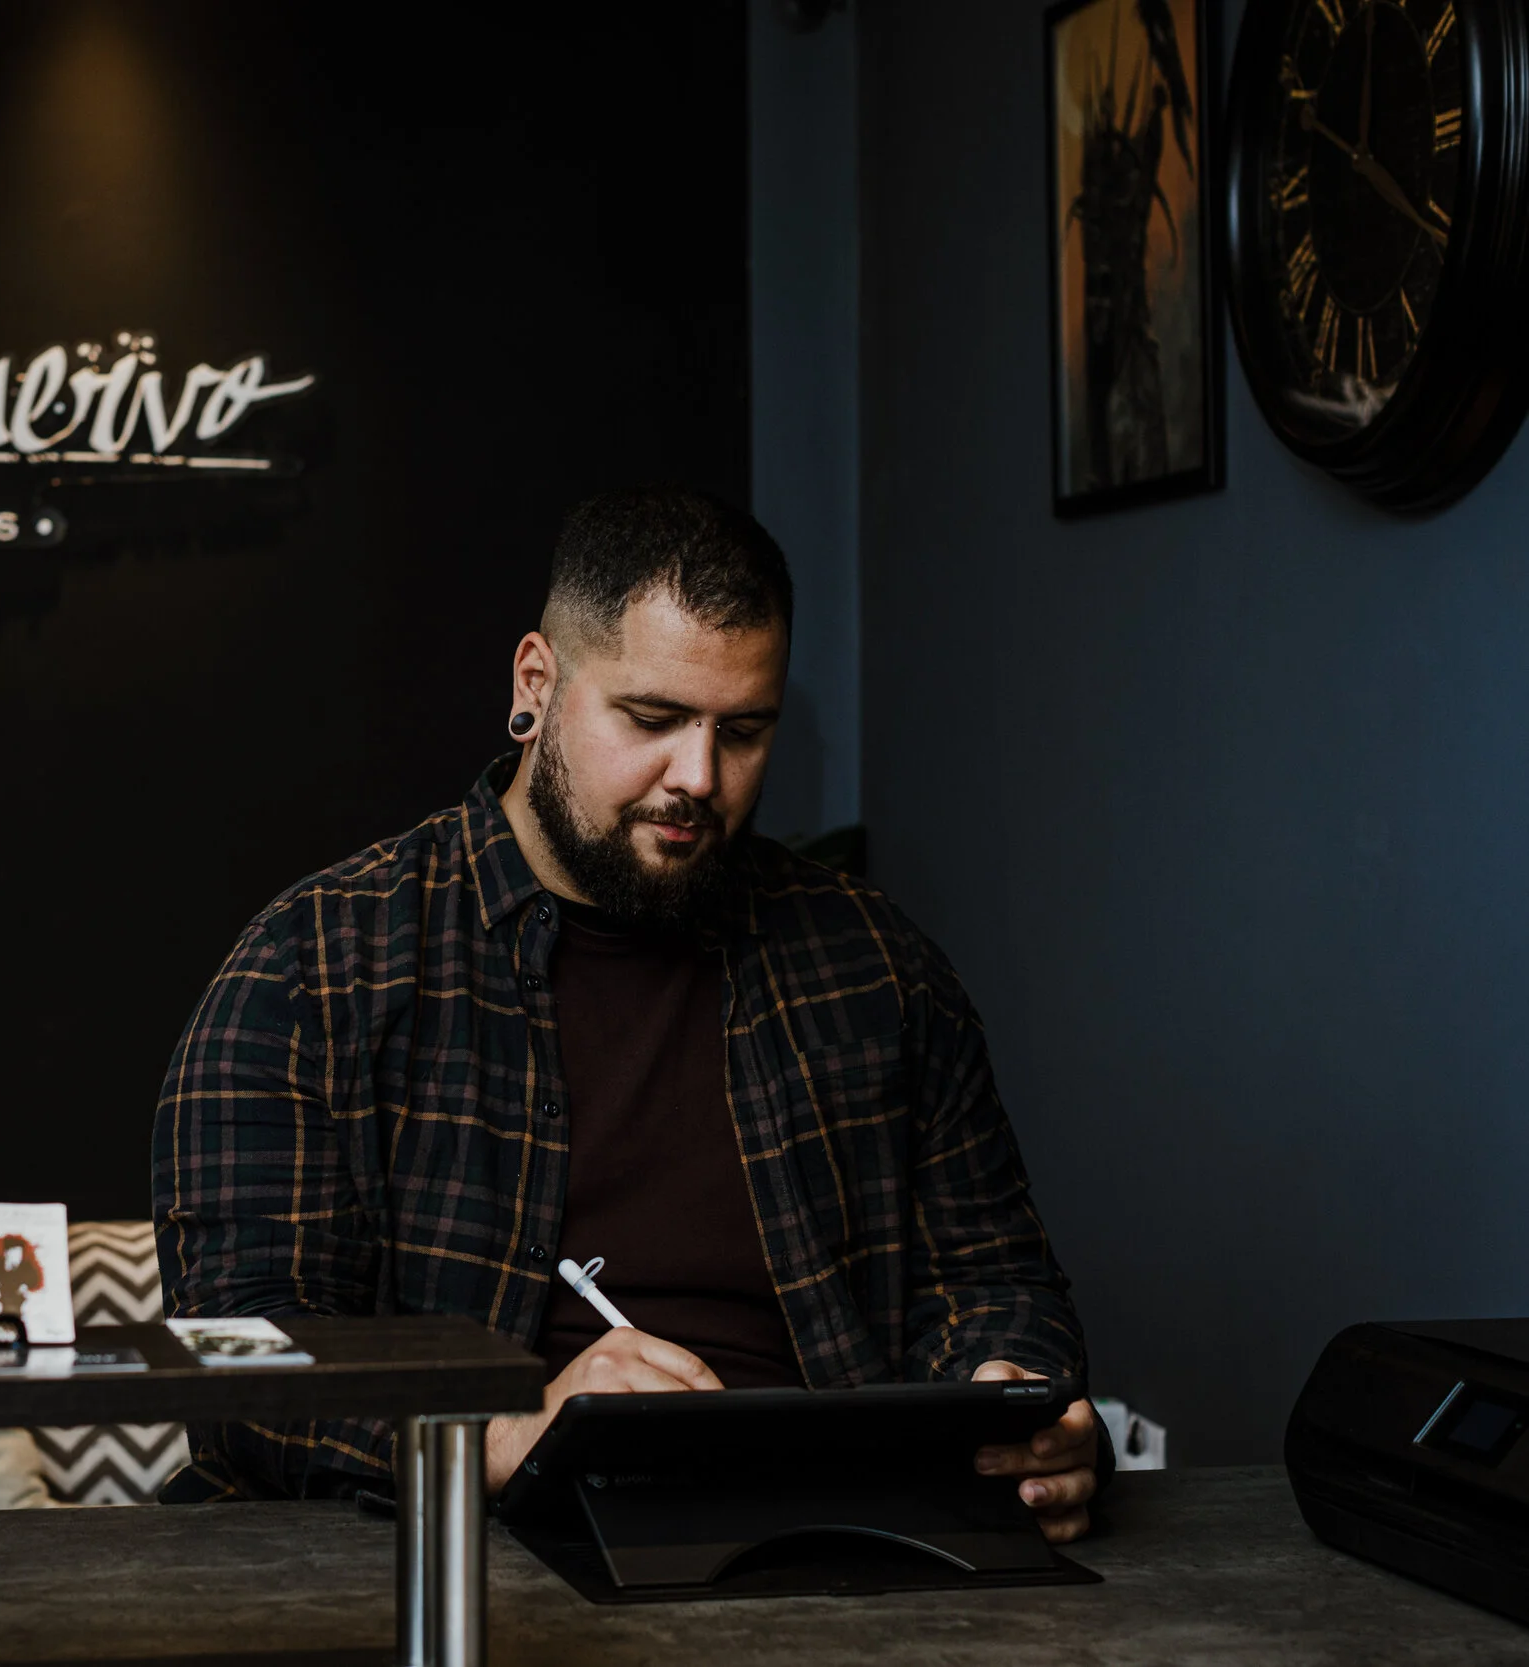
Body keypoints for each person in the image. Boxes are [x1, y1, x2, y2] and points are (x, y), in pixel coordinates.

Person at [152, 488, 1101, 1541]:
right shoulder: (317, 965)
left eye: (742, 731)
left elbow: (993, 1274)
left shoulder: (874, 966)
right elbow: (237, 1356)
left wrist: (1010, 1388)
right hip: (459, 1550)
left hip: (829, 1542)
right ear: (535, 684)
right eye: (651, 720)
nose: (697, 778)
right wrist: (501, 1430)